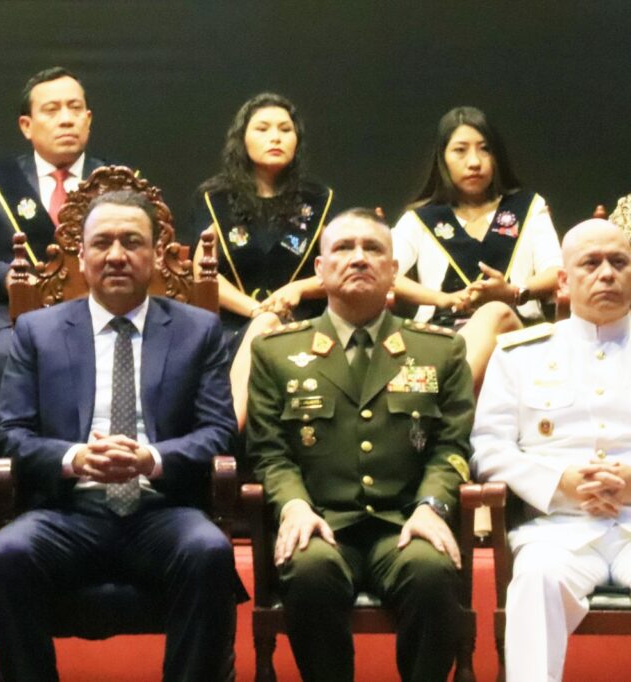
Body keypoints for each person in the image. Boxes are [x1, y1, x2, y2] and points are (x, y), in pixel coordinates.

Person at [0, 190, 241, 682]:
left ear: (158, 254)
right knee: (4, 555)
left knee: (209, 550)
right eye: (102, 243)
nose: (117, 255)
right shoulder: (36, 331)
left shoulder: (198, 330)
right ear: (81, 256)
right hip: (67, 511)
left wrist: (151, 459)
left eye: (132, 242)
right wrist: (75, 458)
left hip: (161, 509)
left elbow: (219, 431)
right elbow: (9, 434)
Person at [247, 208, 474, 682]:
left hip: (404, 521)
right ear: (320, 269)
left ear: (394, 270)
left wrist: (432, 506)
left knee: (431, 572)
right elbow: (270, 452)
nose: (358, 258)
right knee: (308, 570)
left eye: (373, 249)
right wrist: (293, 507)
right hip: (321, 520)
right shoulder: (276, 351)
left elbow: (451, 446)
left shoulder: (440, 349)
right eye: (343, 248)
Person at [471, 218, 631, 682]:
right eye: (591, 263)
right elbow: (488, 447)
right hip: (557, 527)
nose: (606, 273)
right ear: (563, 279)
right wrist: (559, 485)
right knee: (535, 577)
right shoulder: (520, 354)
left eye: (619, 262)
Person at [0, 66, 112, 414]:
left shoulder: (115, 181)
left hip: (101, 311)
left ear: (88, 119)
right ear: (27, 125)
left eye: (75, 109)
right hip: (13, 317)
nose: (66, 119)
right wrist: (8, 277)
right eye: (52, 110)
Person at [391, 106, 562, 388]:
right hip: (440, 334)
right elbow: (385, 274)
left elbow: (557, 272)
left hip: (518, 332)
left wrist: (513, 292)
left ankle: (444, 399)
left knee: (494, 312)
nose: (474, 162)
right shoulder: (421, 219)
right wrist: (444, 299)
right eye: (460, 150)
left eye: (484, 150)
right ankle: (447, 397)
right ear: (443, 158)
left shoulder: (528, 207)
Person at [191, 92, 333, 428]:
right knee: (265, 329)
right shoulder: (216, 198)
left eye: (285, 129)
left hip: (302, 325)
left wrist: (299, 288)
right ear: (242, 139)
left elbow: (337, 269)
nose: (275, 137)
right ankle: (231, 432)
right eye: (263, 128)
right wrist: (258, 312)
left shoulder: (318, 200)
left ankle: (227, 431)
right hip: (231, 328)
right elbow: (202, 273)